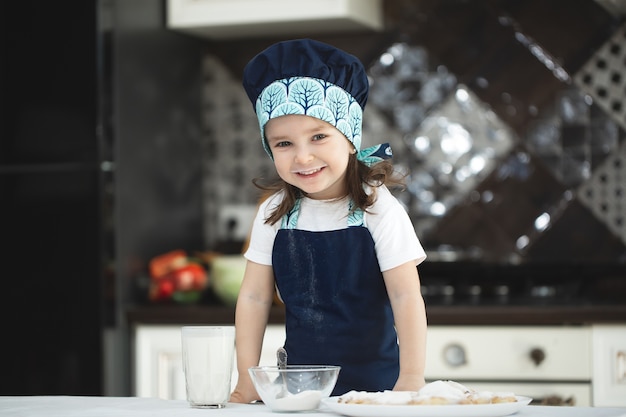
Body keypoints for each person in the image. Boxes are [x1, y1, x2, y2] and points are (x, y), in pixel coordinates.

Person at [229, 39, 427, 402]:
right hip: (300, 394)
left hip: (377, 392)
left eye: (319, 136)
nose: (303, 157)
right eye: (283, 144)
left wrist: (411, 379)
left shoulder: (377, 208)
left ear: (350, 139)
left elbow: (406, 294)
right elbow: (255, 298)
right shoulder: (274, 212)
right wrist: (247, 379)